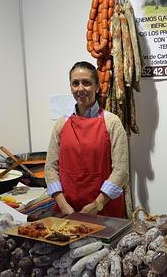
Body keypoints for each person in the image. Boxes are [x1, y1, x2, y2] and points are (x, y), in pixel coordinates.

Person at [44, 61, 128, 218]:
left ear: (97, 87)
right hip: (67, 210)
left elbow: (121, 171)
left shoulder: (112, 122)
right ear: (70, 87)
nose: (80, 89)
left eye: (87, 83)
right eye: (75, 83)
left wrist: (97, 205)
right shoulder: (62, 124)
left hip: (104, 210)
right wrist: (63, 204)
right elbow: (50, 167)